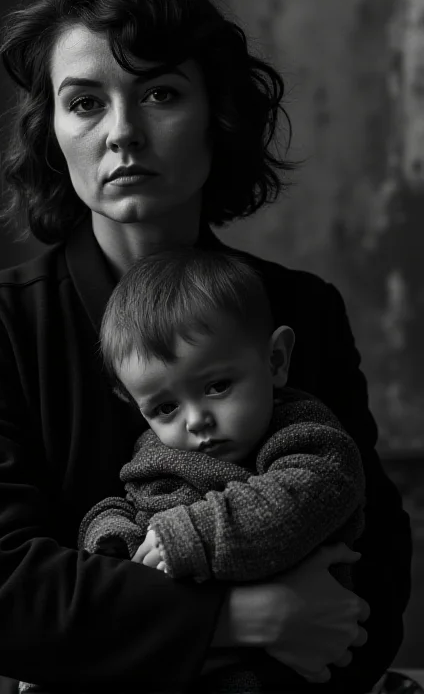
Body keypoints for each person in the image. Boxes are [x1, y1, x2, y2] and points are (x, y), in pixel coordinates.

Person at [0, 0, 411, 693]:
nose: (122, 133)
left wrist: (103, 635)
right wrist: (245, 619)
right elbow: (0, 601)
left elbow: (368, 590)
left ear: (218, 114)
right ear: (53, 131)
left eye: (161, 93)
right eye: (84, 103)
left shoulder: (301, 310)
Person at [74, 247, 366, 693]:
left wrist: (188, 538)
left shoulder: (309, 441)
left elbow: (297, 500)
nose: (195, 420)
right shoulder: (154, 450)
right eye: (165, 407)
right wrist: (112, 537)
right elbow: (134, 502)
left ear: (275, 362)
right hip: (182, 641)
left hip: (269, 665)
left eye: (217, 386)